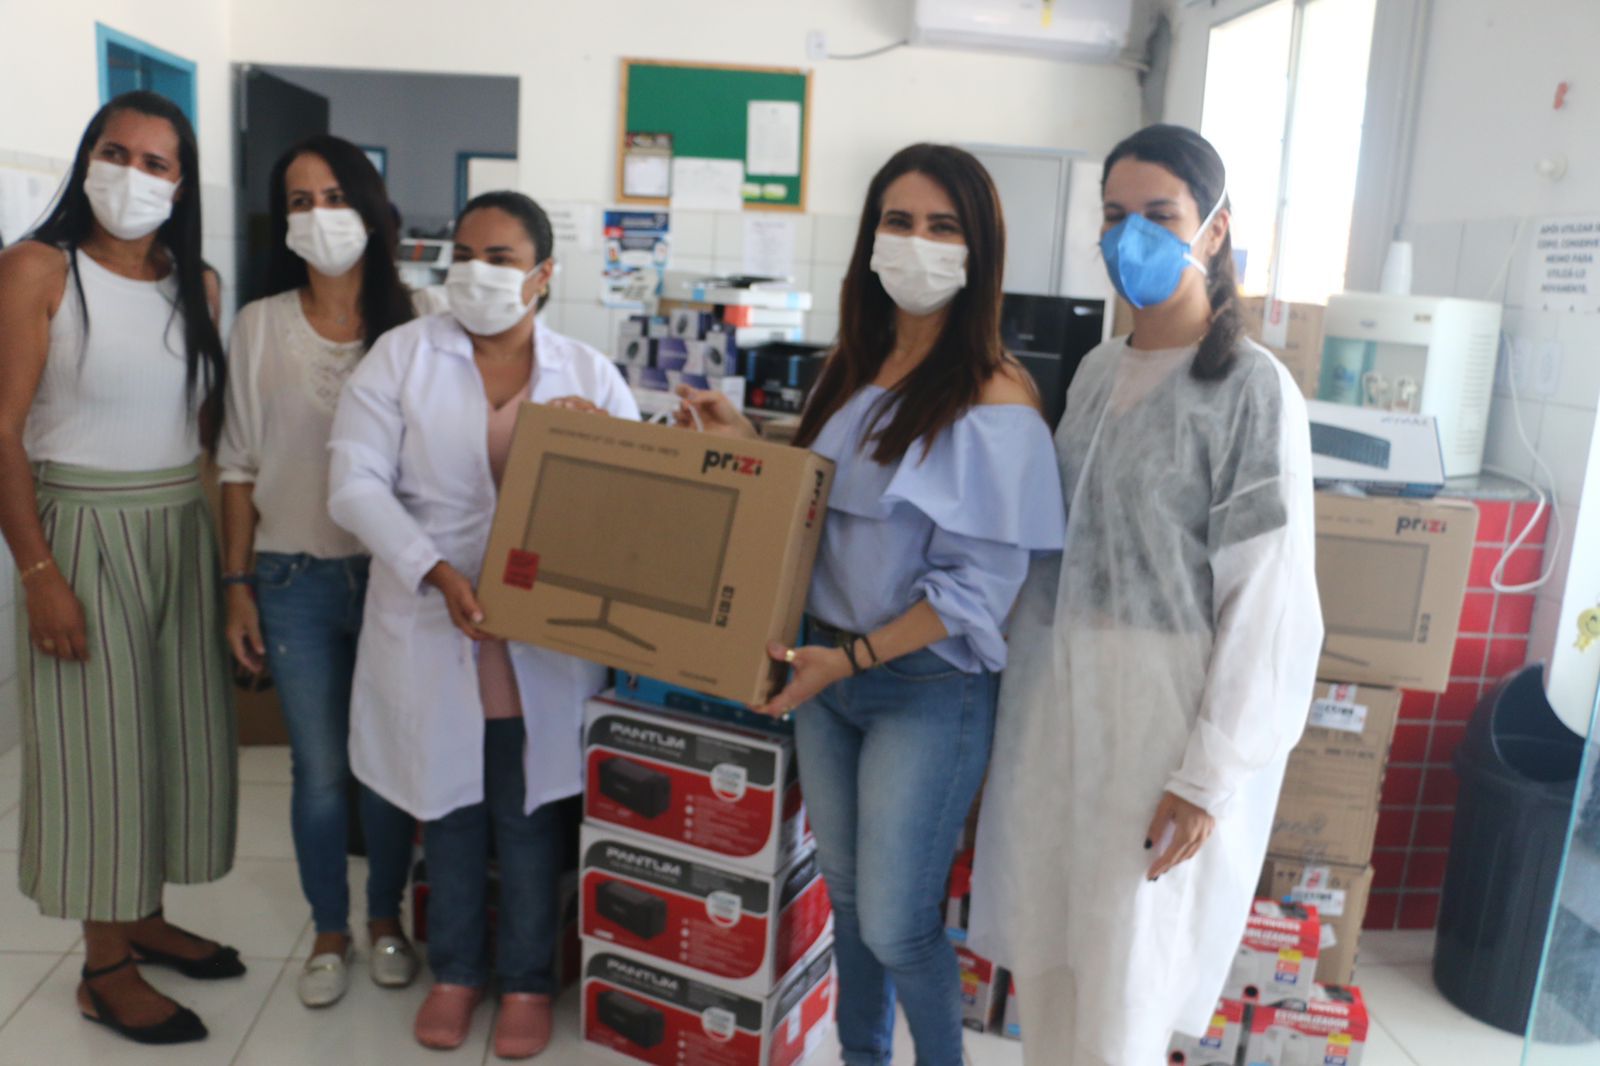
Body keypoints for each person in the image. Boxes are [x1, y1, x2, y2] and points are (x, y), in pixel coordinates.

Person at [677, 143, 1064, 1066]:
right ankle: (862, 1055)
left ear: (978, 252)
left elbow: (979, 587)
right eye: (899, 221)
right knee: (848, 903)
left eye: (942, 227)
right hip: (826, 673)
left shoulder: (996, 396)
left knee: (898, 924)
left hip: (922, 687)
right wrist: (748, 439)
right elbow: (821, 498)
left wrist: (848, 661)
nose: (916, 242)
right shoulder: (852, 367)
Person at [966, 124, 1323, 1066]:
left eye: (1159, 215)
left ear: (1214, 229)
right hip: (1053, 709)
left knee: (1127, 978)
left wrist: (1207, 777)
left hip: (1158, 725)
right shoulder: (1095, 372)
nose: (1132, 236)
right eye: (1114, 215)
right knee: (1052, 969)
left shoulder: (1251, 389)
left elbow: (1269, 603)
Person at [326, 190, 639, 1059]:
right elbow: (353, 482)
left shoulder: (590, 375)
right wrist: (433, 569)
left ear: (542, 275)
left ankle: (528, 982)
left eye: (501, 258)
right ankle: (458, 973)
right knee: (451, 813)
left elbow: (637, 517)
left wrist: (601, 452)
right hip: (434, 621)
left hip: (540, 643)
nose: (477, 272)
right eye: (464, 254)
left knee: (529, 816)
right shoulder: (402, 356)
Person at [0, 91, 240, 1045]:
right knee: (97, 750)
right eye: (115, 152)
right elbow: (2, 433)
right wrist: (37, 573)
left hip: (178, 524)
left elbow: (205, 430)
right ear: (87, 157)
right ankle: (104, 969)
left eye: (155, 163)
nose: (131, 175)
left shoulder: (199, 285)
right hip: (83, 532)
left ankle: (143, 915)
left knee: (170, 736)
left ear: (181, 185)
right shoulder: (37, 268)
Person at [217, 134, 420, 1009]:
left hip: (395, 583)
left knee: (388, 763)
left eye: (335, 197)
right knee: (322, 770)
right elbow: (236, 466)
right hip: (291, 580)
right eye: (300, 201)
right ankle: (330, 931)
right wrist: (236, 588)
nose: (319, 216)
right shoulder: (258, 325)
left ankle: (387, 919)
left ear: (370, 207)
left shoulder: (420, 323)